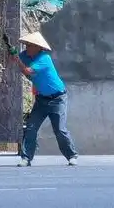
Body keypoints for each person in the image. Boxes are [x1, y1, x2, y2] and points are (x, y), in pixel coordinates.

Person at [9, 31, 78, 167]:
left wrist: (17, 60)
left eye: (29, 45)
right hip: (41, 99)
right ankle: (26, 158)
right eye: (26, 45)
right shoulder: (25, 55)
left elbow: (28, 71)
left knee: (59, 129)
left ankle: (72, 155)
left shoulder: (44, 58)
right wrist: (13, 54)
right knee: (31, 128)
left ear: (38, 47)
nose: (26, 47)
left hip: (57, 98)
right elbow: (14, 61)